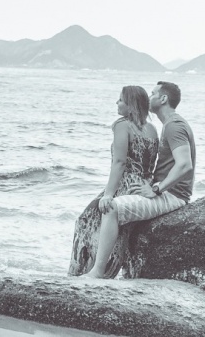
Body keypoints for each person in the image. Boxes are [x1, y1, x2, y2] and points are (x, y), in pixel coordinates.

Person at [81, 80, 196, 279]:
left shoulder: (173, 126)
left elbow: (185, 165)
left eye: (153, 94)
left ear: (163, 99)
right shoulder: (164, 126)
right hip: (168, 191)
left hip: (173, 195)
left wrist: (156, 189)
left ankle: (97, 272)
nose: (148, 98)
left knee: (112, 208)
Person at [68, 85, 159, 277]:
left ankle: (83, 273)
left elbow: (119, 162)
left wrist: (108, 194)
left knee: (86, 220)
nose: (117, 103)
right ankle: (106, 272)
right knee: (120, 230)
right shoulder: (152, 129)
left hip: (125, 185)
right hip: (142, 186)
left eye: (120, 100)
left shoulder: (122, 125)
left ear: (131, 105)